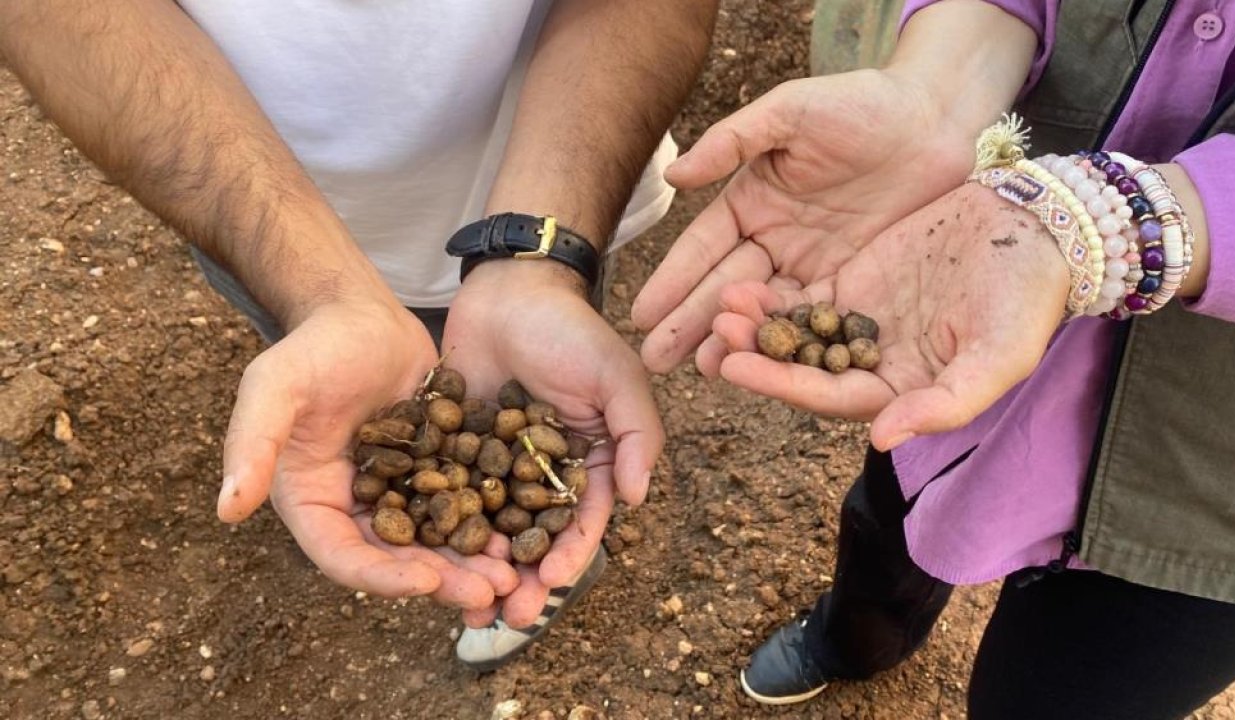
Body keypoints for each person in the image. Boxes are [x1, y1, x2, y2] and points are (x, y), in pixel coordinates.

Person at [0, 0, 716, 670]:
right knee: (318, 362)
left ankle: (550, 550)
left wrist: (538, 264)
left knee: (545, 379)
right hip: (246, 203)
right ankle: (331, 378)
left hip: (557, 187)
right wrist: (321, 296)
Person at [634, 0, 1235, 717]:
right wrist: (940, 88)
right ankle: (851, 640)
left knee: (1068, 692)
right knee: (891, 520)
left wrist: (1115, 219)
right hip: (962, 293)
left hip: (1232, 476)